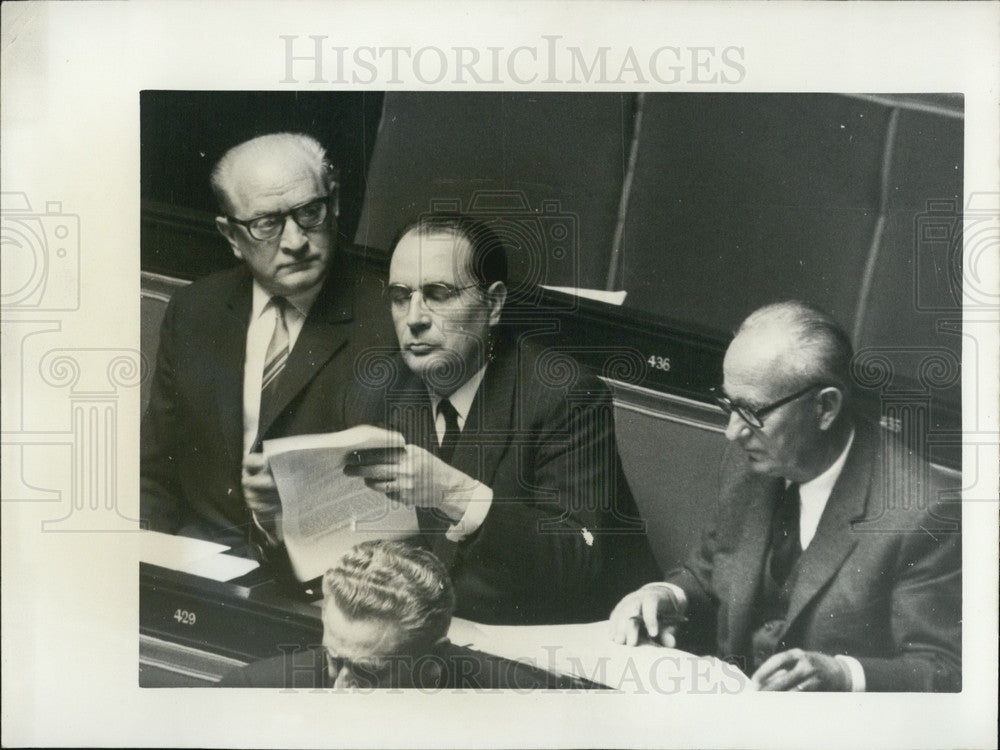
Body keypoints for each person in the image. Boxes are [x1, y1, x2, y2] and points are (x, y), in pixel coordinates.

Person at [609, 301, 961, 692]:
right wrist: (666, 594)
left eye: (751, 411)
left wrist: (842, 675)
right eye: (727, 404)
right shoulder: (750, 463)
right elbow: (709, 573)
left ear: (825, 407)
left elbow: (943, 670)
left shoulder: (923, 511)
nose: (732, 432)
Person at [341, 214, 660, 625]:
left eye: (438, 293)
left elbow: (579, 561)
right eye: (401, 296)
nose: (414, 317)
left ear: (493, 304)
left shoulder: (563, 395)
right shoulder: (377, 389)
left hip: (544, 648)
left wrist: (454, 493)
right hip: (418, 639)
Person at [140, 133, 393, 572]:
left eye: (309, 213)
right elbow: (155, 471)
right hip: (200, 560)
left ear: (333, 206)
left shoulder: (391, 323)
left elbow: (395, 505)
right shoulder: (195, 311)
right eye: (267, 223)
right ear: (231, 235)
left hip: (333, 581)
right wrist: (136, 558)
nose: (295, 240)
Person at [218, 540, 593, 689]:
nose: (339, 688)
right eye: (334, 660)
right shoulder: (250, 692)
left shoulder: (522, 703)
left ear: (431, 664)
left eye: (367, 672)